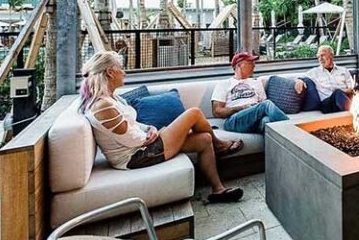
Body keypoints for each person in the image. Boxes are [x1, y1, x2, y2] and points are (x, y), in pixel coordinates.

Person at [79, 51, 244, 204]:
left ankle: (218, 190)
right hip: (136, 157)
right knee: (194, 113)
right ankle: (220, 145)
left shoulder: (111, 99)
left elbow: (132, 126)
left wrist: (150, 128)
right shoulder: (103, 106)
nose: (124, 73)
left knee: (204, 139)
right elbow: (132, 140)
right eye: (121, 69)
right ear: (109, 72)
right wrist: (152, 135)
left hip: (142, 147)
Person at [211, 52, 289, 133]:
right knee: (266, 104)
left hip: (254, 119)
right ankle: (292, 128)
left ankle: (291, 141)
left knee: (267, 121)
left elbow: (262, 105)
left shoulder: (256, 82)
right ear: (238, 66)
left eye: (253, 63)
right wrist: (242, 108)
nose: (253, 65)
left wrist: (254, 108)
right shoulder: (224, 84)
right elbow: (217, 112)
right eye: (249, 63)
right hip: (234, 120)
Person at [294, 45, 359, 113]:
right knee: (337, 92)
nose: (320, 59)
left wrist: (345, 92)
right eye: (318, 56)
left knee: (358, 87)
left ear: (331, 55)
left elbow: (351, 87)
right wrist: (299, 81)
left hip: (344, 97)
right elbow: (298, 77)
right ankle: (355, 110)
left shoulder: (343, 70)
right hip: (327, 104)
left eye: (323, 55)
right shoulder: (315, 72)